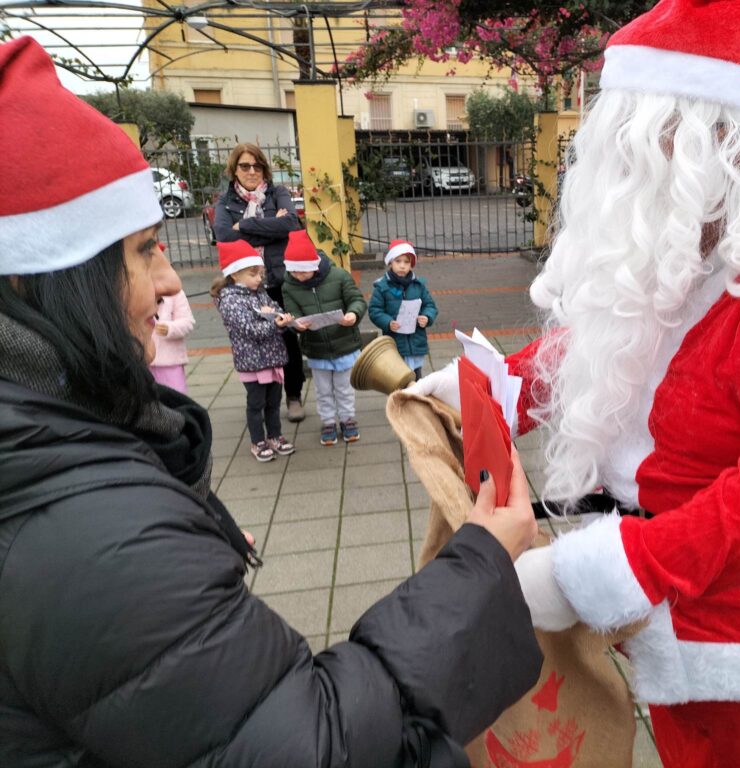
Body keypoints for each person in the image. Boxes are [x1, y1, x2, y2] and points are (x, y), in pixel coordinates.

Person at [410, 0, 740, 765]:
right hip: (685, 587)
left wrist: (590, 576)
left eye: (642, 150)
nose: (625, 177)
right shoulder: (714, 215)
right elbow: (627, 331)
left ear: (720, 139)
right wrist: (501, 388)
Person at [0, 36, 542, 768]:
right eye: (146, 248)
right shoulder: (92, 541)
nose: (170, 281)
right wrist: (480, 564)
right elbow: (315, 744)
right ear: (44, 276)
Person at [213, 142, 307, 422]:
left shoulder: (278, 193)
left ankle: (293, 395)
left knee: (287, 338)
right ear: (235, 169)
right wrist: (271, 227)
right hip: (244, 288)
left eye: (257, 166)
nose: (252, 171)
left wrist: (244, 225)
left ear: (264, 168)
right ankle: (263, 398)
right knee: (253, 340)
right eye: (245, 166)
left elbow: (291, 224)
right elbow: (223, 236)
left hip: (277, 281)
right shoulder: (225, 202)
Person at [211, 240, 297, 462]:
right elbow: (249, 330)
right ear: (235, 274)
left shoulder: (259, 292)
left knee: (274, 402)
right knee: (256, 404)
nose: (259, 279)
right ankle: (257, 441)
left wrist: (283, 318)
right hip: (252, 361)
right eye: (253, 274)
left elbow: (275, 309)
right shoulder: (230, 300)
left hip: (272, 357)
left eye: (260, 274)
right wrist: (274, 323)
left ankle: (275, 436)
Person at [281, 230, 366, 446]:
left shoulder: (339, 276)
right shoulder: (289, 285)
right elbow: (293, 311)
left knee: (344, 389)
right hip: (316, 348)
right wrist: (296, 324)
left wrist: (353, 314)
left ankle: (348, 419)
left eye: (303, 271)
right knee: (323, 390)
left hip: (344, 343)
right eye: (294, 271)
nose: (298, 276)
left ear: (314, 265)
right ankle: (328, 422)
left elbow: (356, 299)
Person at [369, 239, 438, 380]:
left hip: (416, 343)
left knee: (417, 380)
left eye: (406, 262)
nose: (402, 266)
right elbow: (375, 310)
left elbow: (430, 305)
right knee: (397, 381)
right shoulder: (382, 287)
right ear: (390, 262)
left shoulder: (418, 286)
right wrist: (388, 322)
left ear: (411, 264)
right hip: (395, 344)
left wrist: (426, 317)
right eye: (398, 261)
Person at [148, 244, 195, 394]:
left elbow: (188, 322)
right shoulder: (136, 292)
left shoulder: (175, 294)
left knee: (176, 397)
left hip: (170, 360)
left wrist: (170, 328)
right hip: (143, 361)